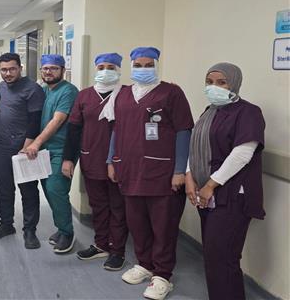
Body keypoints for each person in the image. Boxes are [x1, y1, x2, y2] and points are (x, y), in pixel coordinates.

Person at [110, 47, 193, 300]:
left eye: (148, 64)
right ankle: (144, 264)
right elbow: (116, 129)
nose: (143, 69)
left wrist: (180, 170)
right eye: (138, 64)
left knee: (163, 226)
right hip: (130, 170)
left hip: (162, 172)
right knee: (137, 223)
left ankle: (162, 275)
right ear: (131, 66)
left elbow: (183, 131)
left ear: (156, 65)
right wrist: (112, 160)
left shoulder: (171, 93)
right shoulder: (123, 94)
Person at [185, 63, 265, 300]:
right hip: (206, 194)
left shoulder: (248, 112)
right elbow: (195, 146)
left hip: (231, 195)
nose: (214, 87)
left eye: (222, 82)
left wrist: (210, 185)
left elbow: (242, 154)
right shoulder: (209, 112)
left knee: (223, 257)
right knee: (213, 256)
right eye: (209, 82)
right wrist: (189, 176)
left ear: (235, 84)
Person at [62, 52, 128, 270]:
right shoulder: (85, 96)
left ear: (118, 70)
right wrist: (68, 159)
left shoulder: (126, 94)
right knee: (98, 205)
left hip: (118, 162)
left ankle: (117, 250)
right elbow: (73, 129)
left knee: (118, 207)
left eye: (111, 67)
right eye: (101, 67)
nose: (105, 71)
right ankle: (101, 244)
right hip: (91, 158)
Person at [0, 53, 46, 249]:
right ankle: (6, 224)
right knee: (3, 189)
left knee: (28, 191)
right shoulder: (0, 87)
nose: (8, 73)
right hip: (1, 146)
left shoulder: (32, 89)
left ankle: (30, 230)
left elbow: (35, 120)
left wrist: (27, 146)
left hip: (24, 148)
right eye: (3, 70)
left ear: (20, 68)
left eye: (12, 69)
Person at [22, 54, 78, 253]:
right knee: (49, 191)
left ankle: (68, 233)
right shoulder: (43, 90)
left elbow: (57, 120)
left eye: (54, 68)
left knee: (56, 189)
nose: (48, 72)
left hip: (61, 149)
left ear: (63, 70)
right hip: (44, 150)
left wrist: (36, 143)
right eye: (45, 68)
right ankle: (61, 229)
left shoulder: (68, 91)